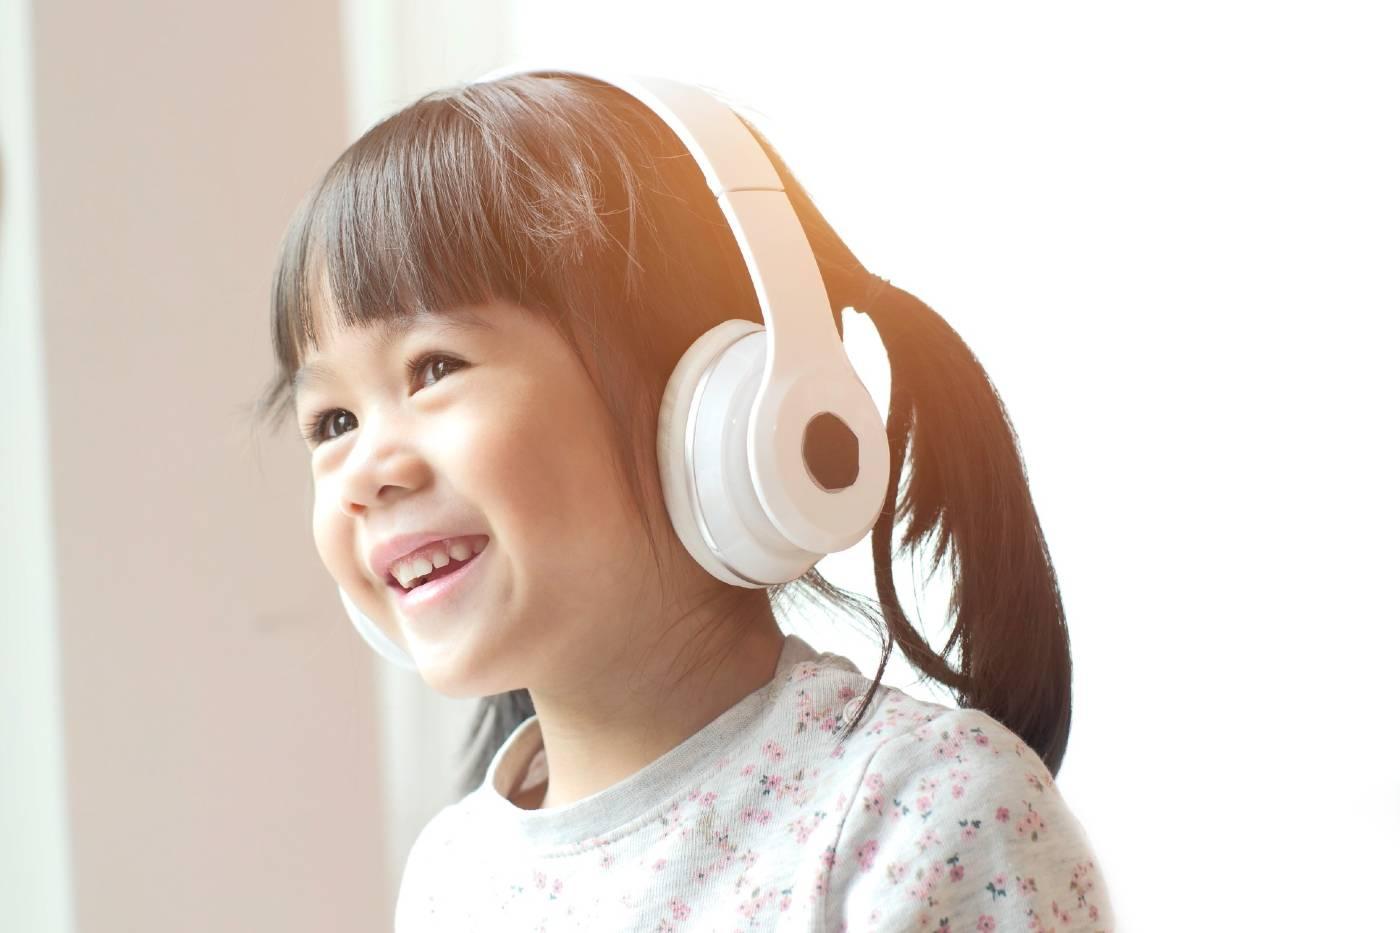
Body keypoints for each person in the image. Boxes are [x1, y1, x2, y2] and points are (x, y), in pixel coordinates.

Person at [257, 70, 1115, 931]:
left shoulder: (919, 815)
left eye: (434, 367)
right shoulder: (451, 876)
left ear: (726, 408)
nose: (366, 469)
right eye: (330, 420)